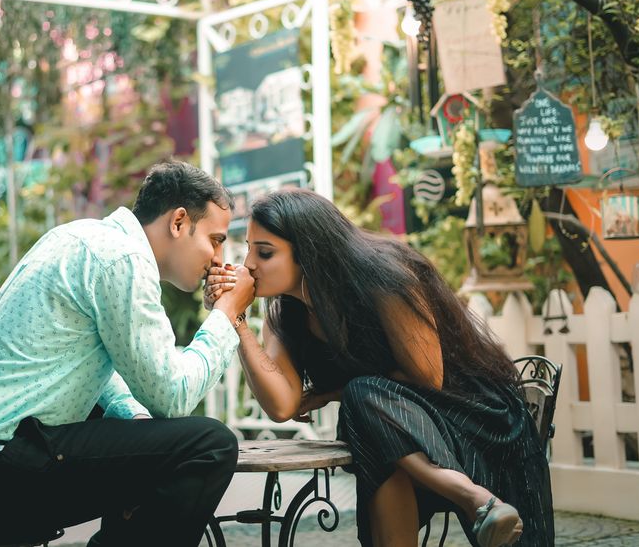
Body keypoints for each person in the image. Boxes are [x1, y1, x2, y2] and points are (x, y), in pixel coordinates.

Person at [0, 160, 256, 547]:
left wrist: (141, 427)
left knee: (150, 440)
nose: (218, 258)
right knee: (210, 446)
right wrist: (227, 313)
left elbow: (101, 373)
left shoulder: (83, 238)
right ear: (178, 222)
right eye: (215, 239)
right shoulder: (123, 260)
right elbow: (174, 395)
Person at [205, 189, 554, 547]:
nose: (248, 263)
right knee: (367, 420)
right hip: (391, 431)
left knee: (360, 398)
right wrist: (235, 318)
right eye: (248, 248)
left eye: (264, 252)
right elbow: (282, 406)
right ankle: (476, 501)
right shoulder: (283, 317)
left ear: (308, 251)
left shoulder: (382, 276)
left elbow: (428, 377)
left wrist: (331, 393)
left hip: (471, 414)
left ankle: (470, 496)